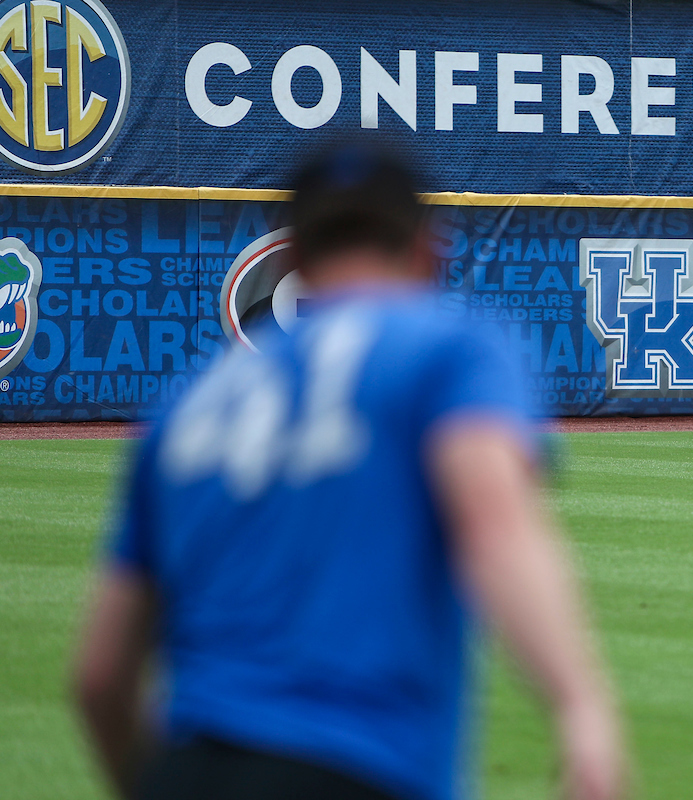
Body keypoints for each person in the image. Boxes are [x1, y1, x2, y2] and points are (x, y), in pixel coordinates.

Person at [71, 146, 625, 800]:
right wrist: (580, 707)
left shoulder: (187, 404)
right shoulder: (449, 344)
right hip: (357, 767)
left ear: (295, 261)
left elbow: (101, 676)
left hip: (187, 768)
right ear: (429, 252)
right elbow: (493, 525)